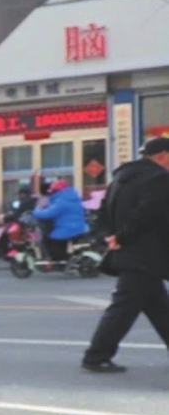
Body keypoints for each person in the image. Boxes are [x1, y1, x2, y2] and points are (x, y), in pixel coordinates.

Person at [82, 134, 169, 374]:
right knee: (123, 308)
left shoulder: (121, 178)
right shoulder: (158, 178)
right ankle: (96, 356)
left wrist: (110, 237)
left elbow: (103, 212)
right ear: (163, 156)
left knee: (159, 307)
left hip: (128, 252)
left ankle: (97, 355)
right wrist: (122, 237)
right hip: (146, 253)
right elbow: (147, 213)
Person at [32, 176, 89, 262]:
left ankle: (61, 261)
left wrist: (36, 212)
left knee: (52, 242)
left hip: (67, 228)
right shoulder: (74, 198)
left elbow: (49, 213)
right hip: (80, 227)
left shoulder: (61, 201)